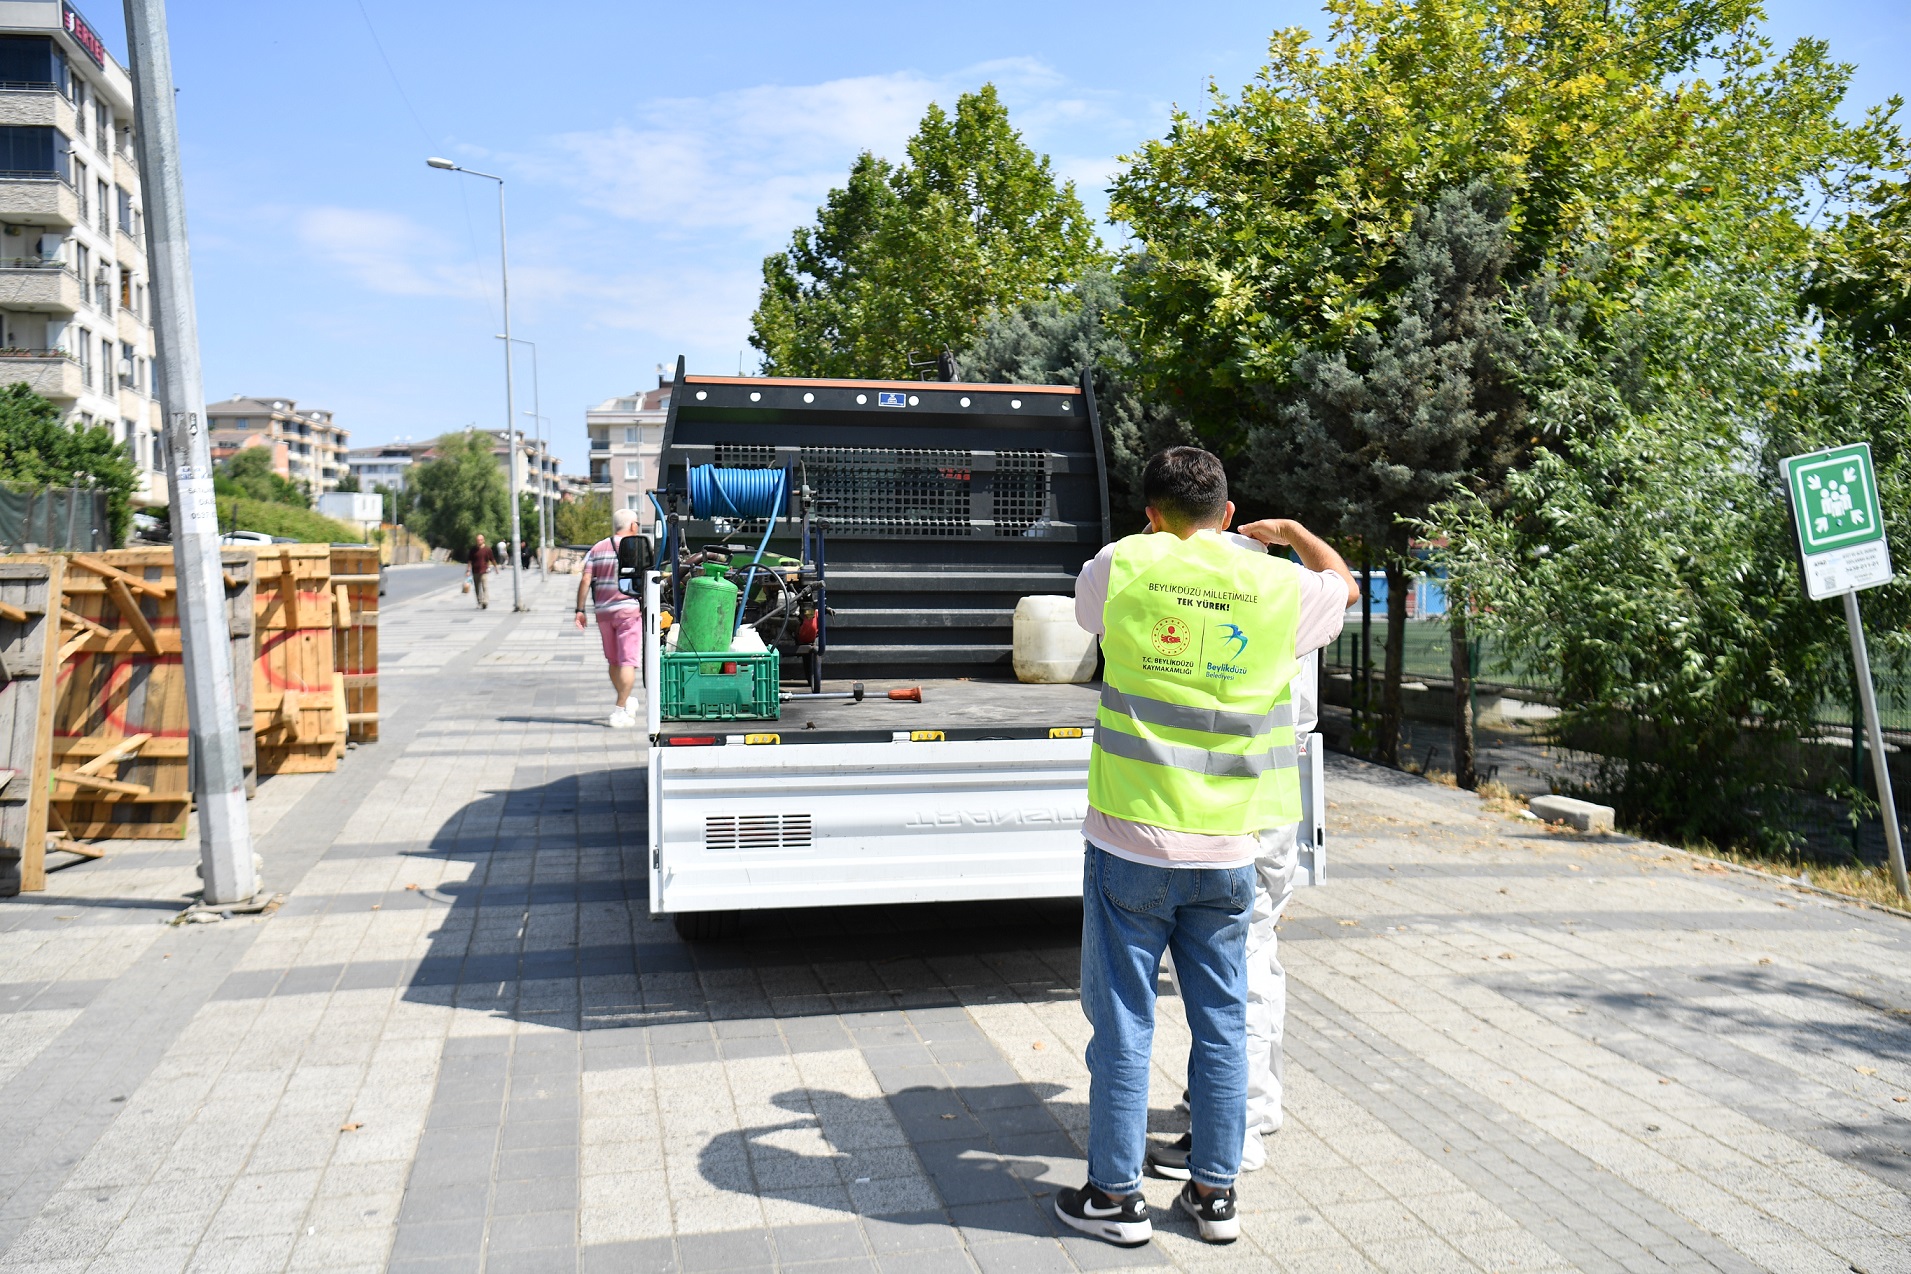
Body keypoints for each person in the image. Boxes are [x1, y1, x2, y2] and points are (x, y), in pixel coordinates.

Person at [1054, 447, 1355, 1248]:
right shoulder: (1280, 585)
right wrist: (1291, 531)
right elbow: (1345, 585)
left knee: (1122, 1023)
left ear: (1150, 512)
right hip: (1230, 845)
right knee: (1221, 1020)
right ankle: (1214, 1195)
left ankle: (1114, 1200)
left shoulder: (1121, 565)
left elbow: (1085, 611)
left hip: (1129, 839)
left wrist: (1152, 542)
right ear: (1228, 516)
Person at [1146, 558, 1331, 1181]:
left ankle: (1237, 1135)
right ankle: (1258, 1106)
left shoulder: (1219, 601)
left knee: (1238, 973)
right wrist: (1293, 537)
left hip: (1243, 811)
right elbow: (1341, 582)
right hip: (1277, 802)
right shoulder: (1289, 597)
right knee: (1259, 957)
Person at [576, 508, 644, 729]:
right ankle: (619, 710)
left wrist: (580, 610)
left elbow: (586, 579)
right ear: (633, 526)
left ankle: (625, 700)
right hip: (628, 611)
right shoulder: (635, 547)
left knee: (614, 661)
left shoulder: (597, 547)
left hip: (604, 612)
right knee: (628, 662)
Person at [466, 533, 495, 610]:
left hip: (484, 571)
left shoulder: (487, 549)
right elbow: (469, 560)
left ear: (483, 540)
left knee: (485, 586)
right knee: (477, 588)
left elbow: (492, 559)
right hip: (475, 571)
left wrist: (496, 567)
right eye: (478, 540)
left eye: (481, 539)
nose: (479, 541)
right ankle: (480, 601)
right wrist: (468, 570)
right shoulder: (473, 550)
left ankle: (485, 602)